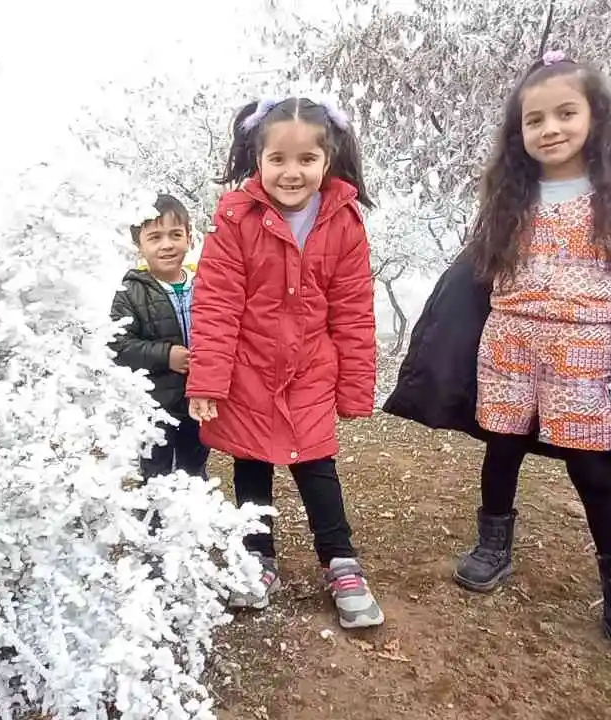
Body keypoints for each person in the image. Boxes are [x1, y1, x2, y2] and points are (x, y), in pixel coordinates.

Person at [384, 51, 611, 666]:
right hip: (508, 344)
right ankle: (493, 545)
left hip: (586, 350)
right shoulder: (512, 197)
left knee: (592, 470)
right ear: (519, 132)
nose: (551, 129)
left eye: (566, 113)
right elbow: (478, 276)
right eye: (534, 119)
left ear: (597, 118)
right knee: (501, 448)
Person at [185, 96, 384, 629]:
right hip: (248, 370)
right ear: (258, 158)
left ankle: (340, 561)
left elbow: (353, 310)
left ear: (327, 160)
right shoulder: (235, 218)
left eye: (305, 160)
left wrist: (354, 387)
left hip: (310, 371)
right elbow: (216, 304)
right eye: (278, 159)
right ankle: (257, 558)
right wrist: (208, 380)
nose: (291, 172)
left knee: (317, 466)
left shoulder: (343, 222)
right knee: (251, 464)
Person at [111, 194, 210, 483]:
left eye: (175, 235)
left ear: (189, 238)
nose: (167, 245)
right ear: (139, 245)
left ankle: (195, 521)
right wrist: (165, 355)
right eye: (155, 237)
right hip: (154, 406)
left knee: (194, 469)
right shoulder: (130, 292)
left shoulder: (204, 285)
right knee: (155, 475)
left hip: (198, 399)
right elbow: (117, 345)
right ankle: (154, 526)